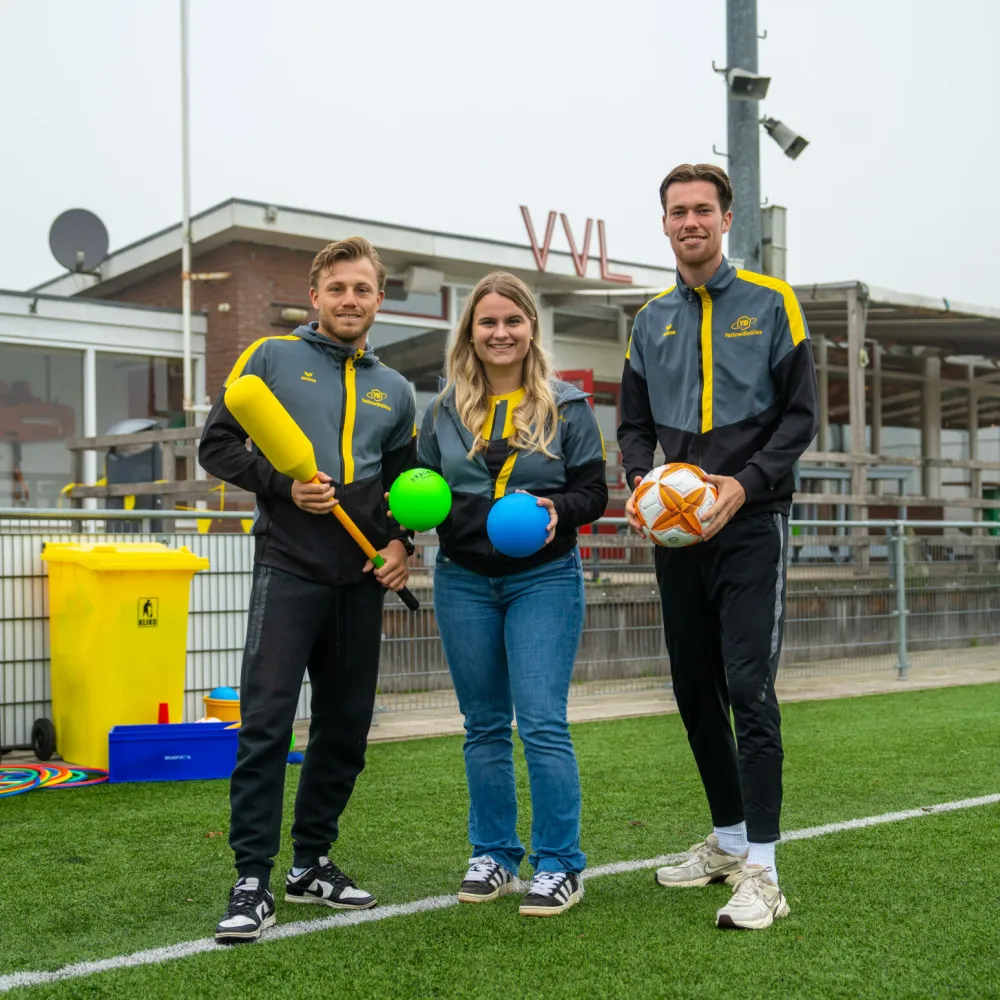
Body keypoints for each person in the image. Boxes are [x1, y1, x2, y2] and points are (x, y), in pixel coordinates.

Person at [618, 163, 818, 930]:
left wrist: (745, 481)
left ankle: (764, 872)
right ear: (664, 225)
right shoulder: (648, 319)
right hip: (678, 535)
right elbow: (634, 425)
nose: (690, 221)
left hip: (751, 525)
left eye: (703, 209)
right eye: (678, 212)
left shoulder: (772, 304)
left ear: (726, 219)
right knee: (692, 689)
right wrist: (645, 484)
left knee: (747, 687)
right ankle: (730, 839)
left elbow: (800, 417)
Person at [199, 237, 417, 943]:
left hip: (357, 581)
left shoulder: (399, 389)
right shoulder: (268, 359)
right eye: (337, 289)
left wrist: (399, 545)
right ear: (315, 296)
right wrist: (283, 485)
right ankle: (252, 879)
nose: (350, 300)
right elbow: (218, 444)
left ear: (379, 300)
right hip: (288, 566)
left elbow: (403, 490)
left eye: (362, 289)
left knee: (345, 731)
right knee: (265, 727)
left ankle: (311, 863)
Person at [416, 271, 607, 916]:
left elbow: (594, 494)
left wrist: (556, 509)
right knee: (484, 725)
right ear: (470, 331)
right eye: (487, 322)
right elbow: (422, 489)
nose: (500, 333)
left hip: (543, 579)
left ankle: (560, 865)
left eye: (513, 321)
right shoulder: (442, 411)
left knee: (543, 723)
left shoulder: (567, 405)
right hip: (462, 579)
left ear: (531, 328)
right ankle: (494, 854)